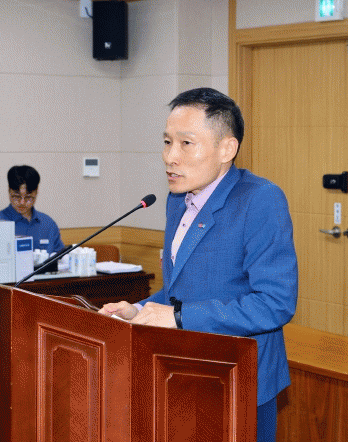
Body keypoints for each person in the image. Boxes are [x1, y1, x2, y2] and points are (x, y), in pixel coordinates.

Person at [99, 87, 298, 442]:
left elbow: (275, 303)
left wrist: (177, 317)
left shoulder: (260, 199)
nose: (170, 157)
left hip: (238, 380)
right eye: (166, 142)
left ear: (227, 149)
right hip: (181, 374)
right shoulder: (177, 200)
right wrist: (139, 309)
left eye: (186, 144)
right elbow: (180, 291)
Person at [0, 165, 64, 254]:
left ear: (36, 192)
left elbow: (60, 257)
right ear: (9, 191)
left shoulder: (48, 224)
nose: (22, 202)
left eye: (28, 197)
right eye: (16, 196)